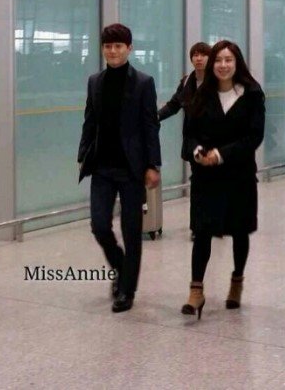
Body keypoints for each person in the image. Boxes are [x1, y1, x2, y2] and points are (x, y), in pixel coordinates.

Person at [78, 23, 161, 313]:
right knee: (99, 225)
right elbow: (90, 120)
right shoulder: (95, 82)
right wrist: (83, 153)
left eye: (118, 46)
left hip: (131, 168)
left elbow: (150, 126)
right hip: (102, 165)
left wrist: (152, 164)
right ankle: (121, 266)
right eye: (108, 46)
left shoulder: (143, 83)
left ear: (129, 48)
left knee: (131, 229)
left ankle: (127, 289)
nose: (112, 51)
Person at [181, 40, 265, 319]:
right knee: (202, 231)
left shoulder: (252, 94)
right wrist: (197, 152)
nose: (223, 65)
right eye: (218, 60)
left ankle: (237, 281)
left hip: (239, 174)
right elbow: (190, 133)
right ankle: (196, 290)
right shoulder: (201, 94)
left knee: (240, 231)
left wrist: (221, 154)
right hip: (206, 176)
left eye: (229, 60)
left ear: (237, 63)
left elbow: (254, 136)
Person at [158, 42, 211, 241]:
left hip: (215, 141)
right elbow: (174, 105)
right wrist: (156, 117)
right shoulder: (188, 81)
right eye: (195, 55)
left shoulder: (219, 81)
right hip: (195, 141)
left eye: (203, 55)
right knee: (198, 183)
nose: (198, 58)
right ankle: (198, 227)